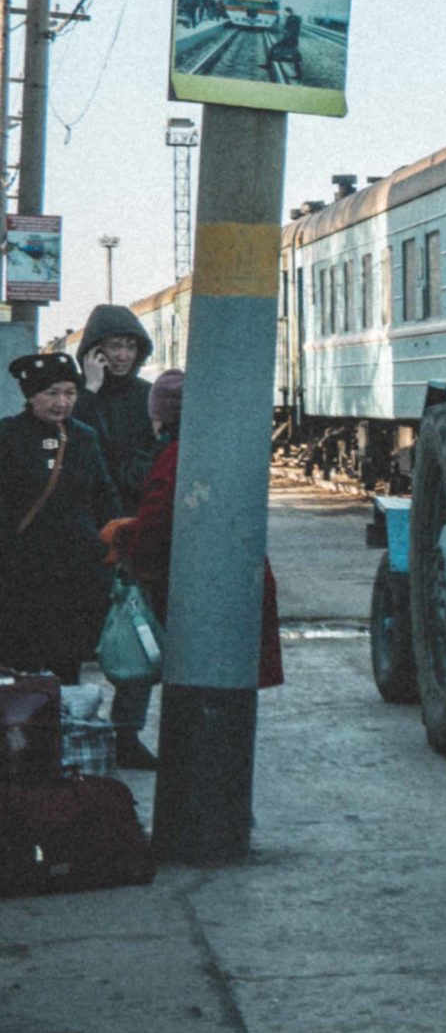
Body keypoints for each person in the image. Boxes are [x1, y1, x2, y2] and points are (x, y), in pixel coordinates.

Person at [103, 371, 284, 699]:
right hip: (241, 581)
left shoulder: (176, 456)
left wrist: (125, 537)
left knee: (200, 689)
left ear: (163, 418)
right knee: (232, 687)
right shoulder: (225, 446)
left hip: (204, 592)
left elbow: (157, 524)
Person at [73, 305, 159, 765]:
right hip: (83, 534)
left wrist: (114, 474)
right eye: (114, 346)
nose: (123, 355)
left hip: (127, 530)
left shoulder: (146, 398)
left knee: (134, 634)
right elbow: (72, 440)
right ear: (96, 351)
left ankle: (127, 734)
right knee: (73, 636)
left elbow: (153, 455)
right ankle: (68, 726)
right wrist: (88, 390)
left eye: (130, 346)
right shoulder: (78, 395)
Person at [0, 353, 116, 684]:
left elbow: (104, 497)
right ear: (30, 395)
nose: (61, 402)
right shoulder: (7, 436)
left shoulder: (84, 437)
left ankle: (60, 732)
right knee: (19, 668)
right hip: (20, 578)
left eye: (69, 393)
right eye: (51, 392)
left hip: (76, 576)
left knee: (67, 664)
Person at [266, 8, 303, 84]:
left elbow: (291, 30)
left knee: (273, 48)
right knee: (295, 58)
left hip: (289, 39)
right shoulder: (294, 19)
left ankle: (268, 64)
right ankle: (299, 75)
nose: (284, 14)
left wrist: (286, 36)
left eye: (285, 12)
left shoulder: (292, 19)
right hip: (292, 40)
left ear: (288, 12)